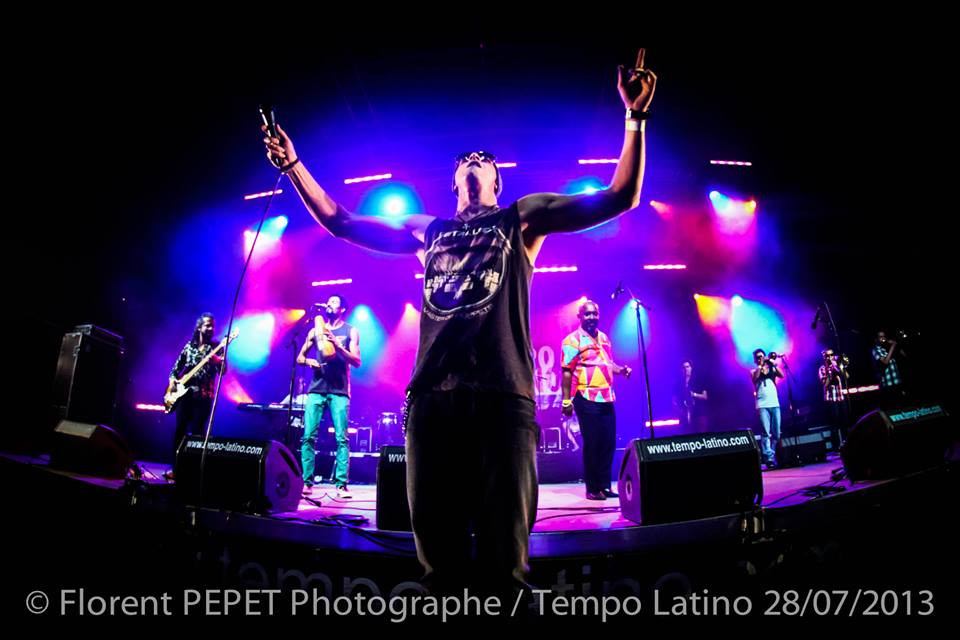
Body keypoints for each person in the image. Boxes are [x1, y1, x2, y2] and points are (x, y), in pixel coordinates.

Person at [263, 48, 656, 595]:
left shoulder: (521, 217)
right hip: (432, 403)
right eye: (464, 158)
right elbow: (340, 221)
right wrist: (293, 166)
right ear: (454, 182)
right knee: (438, 569)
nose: (473, 159)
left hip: (503, 400)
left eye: (484, 158)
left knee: (505, 567)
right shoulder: (426, 230)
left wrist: (634, 117)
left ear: (496, 179)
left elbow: (620, 197)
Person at [560, 300, 631, 500]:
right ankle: (592, 488)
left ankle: (605, 485)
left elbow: (608, 364)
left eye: (595, 314)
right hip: (585, 396)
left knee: (608, 442)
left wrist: (621, 370)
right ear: (580, 317)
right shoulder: (572, 341)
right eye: (587, 314)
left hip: (606, 396)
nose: (592, 317)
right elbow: (566, 372)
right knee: (592, 442)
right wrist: (566, 401)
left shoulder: (604, 338)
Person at [297, 295, 361, 498]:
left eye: (334, 302)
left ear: (342, 309)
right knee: (308, 436)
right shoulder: (315, 330)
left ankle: (341, 485)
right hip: (317, 389)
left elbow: (357, 361)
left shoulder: (350, 331)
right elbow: (299, 357)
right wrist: (309, 361)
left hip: (339, 390)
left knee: (342, 438)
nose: (329, 304)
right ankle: (307, 483)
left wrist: (338, 346)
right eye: (329, 302)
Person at [165, 313, 223, 479]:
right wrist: (172, 382)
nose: (211, 328)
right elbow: (175, 369)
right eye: (207, 325)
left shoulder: (217, 347)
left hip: (204, 397)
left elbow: (224, 370)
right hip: (185, 395)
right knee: (180, 431)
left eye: (213, 326)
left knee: (198, 433)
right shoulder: (189, 347)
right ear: (199, 327)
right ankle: (176, 469)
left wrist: (217, 361)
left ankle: (194, 473)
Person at [751, 348, 784, 469]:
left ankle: (772, 454)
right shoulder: (754, 371)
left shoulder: (771, 368)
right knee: (765, 432)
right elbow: (755, 379)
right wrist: (760, 366)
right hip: (762, 405)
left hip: (774, 403)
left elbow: (781, 375)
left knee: (777, 433)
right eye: (758, 357)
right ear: (755, 360)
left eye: (762, 356)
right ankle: (769, 458)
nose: (760, 358)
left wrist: (772, 363)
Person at [818, 348, 849, 446]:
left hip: (840, 397)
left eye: (832, 355)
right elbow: (825, 384)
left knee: (844, 421)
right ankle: (836, 446)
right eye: (828, 356)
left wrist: (840, 366)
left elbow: (847, 376)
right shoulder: (822, 368)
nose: (830, 357)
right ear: (824, 357)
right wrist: (830, 372)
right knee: (834, 424)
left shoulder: (837, 365)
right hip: (831, 399)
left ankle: (847, 443)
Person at [672, 359, 708, 433]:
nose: (686, 369)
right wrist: (679, 409)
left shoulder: (698, 380)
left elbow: (705, 396)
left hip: (698, 414)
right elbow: (674, 399)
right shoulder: (678, 383)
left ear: (691, 368)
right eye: (683, 368)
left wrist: (693, 394)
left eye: (687, 367)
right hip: (684, 415)